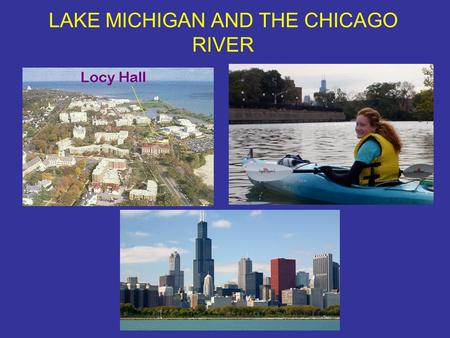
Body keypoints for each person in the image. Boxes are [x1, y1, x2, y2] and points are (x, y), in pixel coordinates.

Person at [321, 107, 402, 186]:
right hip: (392, 183)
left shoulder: (369, 145)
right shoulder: (388, 140)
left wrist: (329, 174)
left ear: (374, 127)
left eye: (362, 125)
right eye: (357, 124)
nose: (358, 128)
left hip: (375, 187)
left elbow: (347, 180)